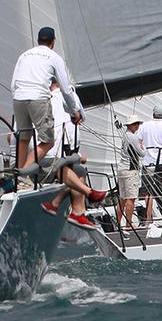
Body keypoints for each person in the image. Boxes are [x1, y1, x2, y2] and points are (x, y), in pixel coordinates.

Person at [11, 26, 83, 171]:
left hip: (18, 98)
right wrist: (74, 111)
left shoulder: (24, 55)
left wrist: (18, 96)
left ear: (37, 40)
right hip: (38, 98)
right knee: (48, 141)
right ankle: (24, 171)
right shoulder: (54, 57)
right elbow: (66, 89)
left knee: (24, 138)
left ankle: (18, 175)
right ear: (53, 42)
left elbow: (13, 84)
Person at [40, 80, 106, 230]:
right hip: (55, 153)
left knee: (79, 171)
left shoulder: (44, 97)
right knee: (73, 169)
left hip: (57, 150)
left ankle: (71, 209)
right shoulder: (68, 95)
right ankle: (87, 196)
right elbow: (81, 116)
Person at [137, 104, 162, 224]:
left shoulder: (144, 126)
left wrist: (144, 156)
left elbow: (139, 144)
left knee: (148, 192)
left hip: (148, 162)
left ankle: (149, 219)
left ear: (153, 112)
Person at [116, 115, 144, 231]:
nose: (137, 126)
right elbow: (142, 153)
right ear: (130, 125)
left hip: (122, 169)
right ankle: (129, 225)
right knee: (130, 198)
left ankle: (118, 224)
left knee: (122, 198)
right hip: (130, 170)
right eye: (135, 124)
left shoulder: (125, 136)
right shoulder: (132, 137)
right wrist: (143, 146)